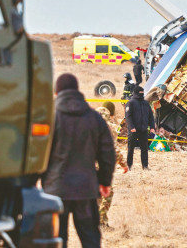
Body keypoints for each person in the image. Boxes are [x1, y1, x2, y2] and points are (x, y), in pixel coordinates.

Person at [42, 73, 115, 248]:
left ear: (56, 93)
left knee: (57, 240)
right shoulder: (94, 118)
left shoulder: (49, 118)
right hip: (86, 188)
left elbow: (37, 152)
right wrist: (104, 181)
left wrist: (38, 181)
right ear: (77, 91)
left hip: (55, 189)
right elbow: (107, 153)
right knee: (90, 238)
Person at [95, 103, 129, 228]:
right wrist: (123, 164)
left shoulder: (87, 126)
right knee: (107, 194)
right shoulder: (108, 128)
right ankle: (101, 222)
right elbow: (113, 149)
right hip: (101, 167)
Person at [125, 85, 156, 170]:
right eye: (140, 93)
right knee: (130, 149)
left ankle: (145, 166)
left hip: (143, 130)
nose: (141, 95)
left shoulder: (145, 103)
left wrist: (152, 127)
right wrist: (131, 127)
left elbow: (151, 116)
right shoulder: (130, 103)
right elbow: (128, 117)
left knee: (145, 149)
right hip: (133, 131)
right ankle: (129, 166)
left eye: (142, 93)